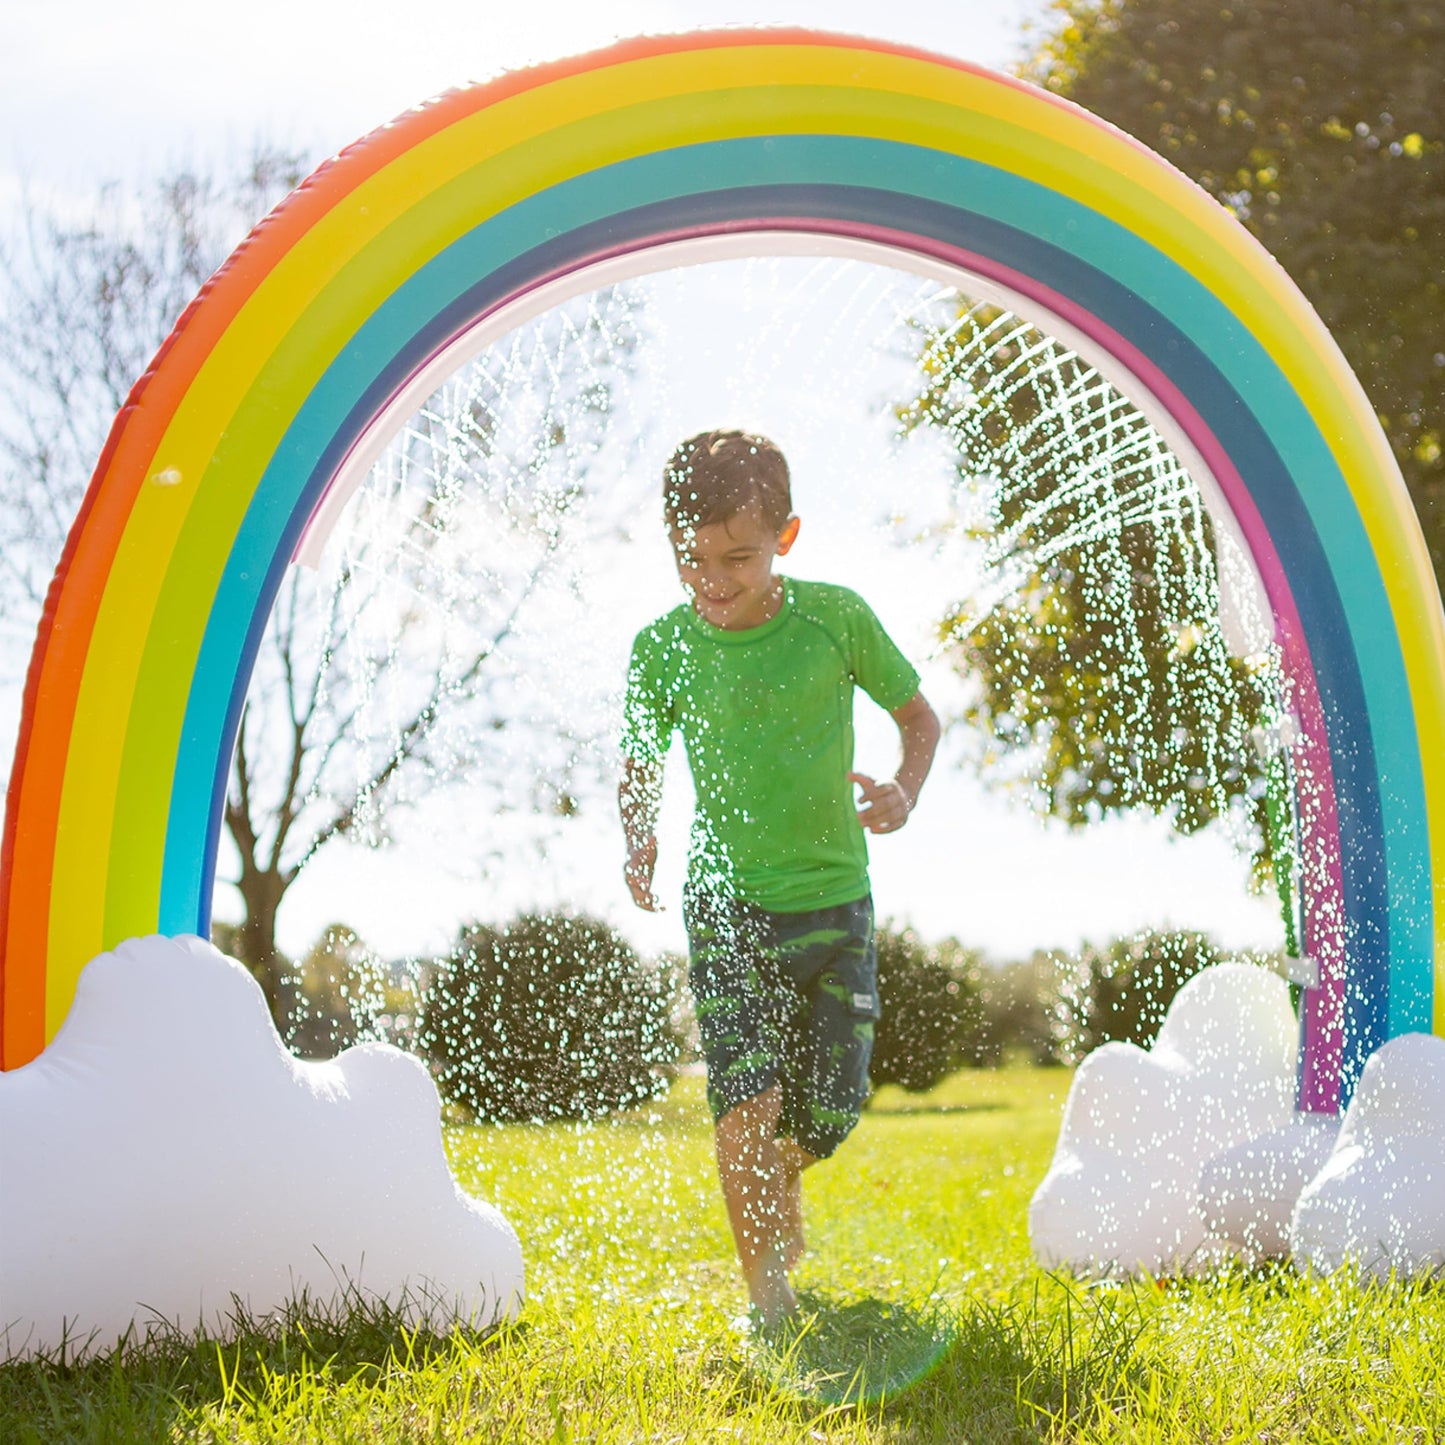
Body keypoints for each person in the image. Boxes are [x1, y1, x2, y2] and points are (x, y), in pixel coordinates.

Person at [618, 429, 940, 1325]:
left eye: (738, 557)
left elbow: (920, 718)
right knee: (743, 1091)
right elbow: (641, 759)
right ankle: (766, 1293)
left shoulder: (835, 620)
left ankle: (784, 1178)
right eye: (691, 557)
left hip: (834, 895)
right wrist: (638, 837)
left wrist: (903, 790)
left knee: (827, 1107)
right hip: (723, 900)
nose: (712, 579)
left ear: (784, 540)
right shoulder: (661, 648)